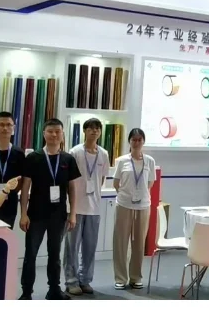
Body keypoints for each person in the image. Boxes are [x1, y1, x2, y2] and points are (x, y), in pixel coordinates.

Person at [19, 118, 81, 300]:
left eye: (57, 131)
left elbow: (72, 189)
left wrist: (73, 214)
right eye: (50, 131)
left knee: (55, 254)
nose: (54, 135)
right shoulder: (33, 157)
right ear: (43, 134)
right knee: (30, 254)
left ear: (62, 134)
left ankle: (54, 289)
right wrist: (23, 214)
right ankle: (26, 292)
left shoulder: (68, 159)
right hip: (36, 214)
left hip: (58, 216)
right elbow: (25, 188)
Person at [63, 118, 110, 296]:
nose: (94, 131)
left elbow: (102, 179)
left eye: (97, 128)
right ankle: (71, 281)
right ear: (84, 131)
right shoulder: (75, 152)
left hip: (94, 207)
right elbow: (69, 180)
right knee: (72, 248)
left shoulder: (103, 154)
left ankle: (85, 280)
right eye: (90, 128)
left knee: (90, 248)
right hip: (75, 208)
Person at [112, 128, 157, 290]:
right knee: (120, 242)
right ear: (129, 142)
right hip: (124, 205)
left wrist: (140, 195)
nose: (136, 142)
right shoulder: (122, 161)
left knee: (139, 243)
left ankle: (136, 277)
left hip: (143, 206)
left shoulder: (149, 161)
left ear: (143, 141)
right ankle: (120, 278)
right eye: (134, 140)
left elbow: (150, 183)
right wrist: (127, 195)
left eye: (139, 140)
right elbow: (116, 183)